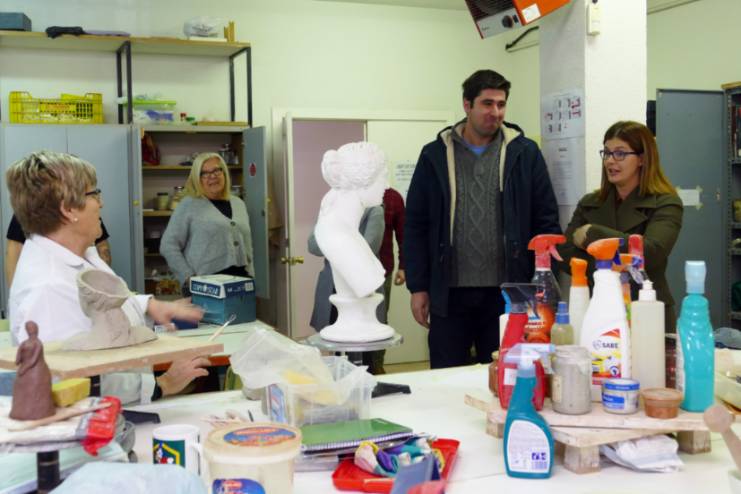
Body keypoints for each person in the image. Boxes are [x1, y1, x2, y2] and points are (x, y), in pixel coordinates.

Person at [6, 151, 210, 405]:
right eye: (94, 194)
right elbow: (72, 383)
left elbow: (100, 308)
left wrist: (149, 305)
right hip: (98, 418)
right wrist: (162, 384)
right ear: (68, 209)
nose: (100, 203)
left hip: (120, 409)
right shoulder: (47, 289)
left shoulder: (81, 255)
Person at [404, 69, 561, 369]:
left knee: (506, 373)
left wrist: (541, 287)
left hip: (509, 293)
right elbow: (415, 225)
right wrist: (418, 287)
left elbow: (546, 220)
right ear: (467, 105)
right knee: (446, 376)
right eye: (487, 104)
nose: (496, 112)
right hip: (449, 292)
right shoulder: (435, 155)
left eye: (501, 104)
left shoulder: (525, 153)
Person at [557, 121, 683, 331]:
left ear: (642, 159)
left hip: (646, 312)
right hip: (598, 309)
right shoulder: (590, 202)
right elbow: (564, 254)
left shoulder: (666, 203)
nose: (610, 160)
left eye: (620, 153)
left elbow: (651, 252)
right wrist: (618, 261)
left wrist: (593, 233)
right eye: (607, 153)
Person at [161, 152, 253, 295]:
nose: (212, 176)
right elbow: (168, 245)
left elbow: (247, 246)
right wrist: (188, 277)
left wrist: (252, 278)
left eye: (216, 170)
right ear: (197, 179)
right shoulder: (188, 204)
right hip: (205, 286)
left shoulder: (238, 203)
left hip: (240, 283)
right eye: (204, 173)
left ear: (224, 172)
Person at [5, 214, 112, 288]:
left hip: (86, 285)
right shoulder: (27, 211)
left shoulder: (86, 209)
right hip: (44, 286)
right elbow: (13, 253)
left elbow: (103, 248)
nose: (100, 203)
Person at [370, 187, 406, 374]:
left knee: (380, 319)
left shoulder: (392, 197)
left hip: (382, 270)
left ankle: (377, 366)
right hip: (351, 271)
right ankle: (354, 368)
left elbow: (403, 234)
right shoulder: (351, 193)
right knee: (352, 319)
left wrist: (403, 266)